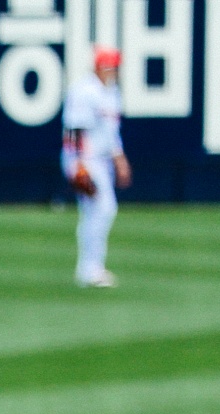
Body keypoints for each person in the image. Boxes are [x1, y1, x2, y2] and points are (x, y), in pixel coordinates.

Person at [63, 46, 130, 289]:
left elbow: (111, 133)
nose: (115, 71)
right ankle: (90, 269)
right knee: (103, 209)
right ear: (101, 67)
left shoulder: (111, 92)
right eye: (112, 67)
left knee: (96, 212)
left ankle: (88, 269)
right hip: (85, 159)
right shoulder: (84, 91)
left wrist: (120, 160)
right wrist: (77, 165)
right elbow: (74, 130)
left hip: (101, 160)